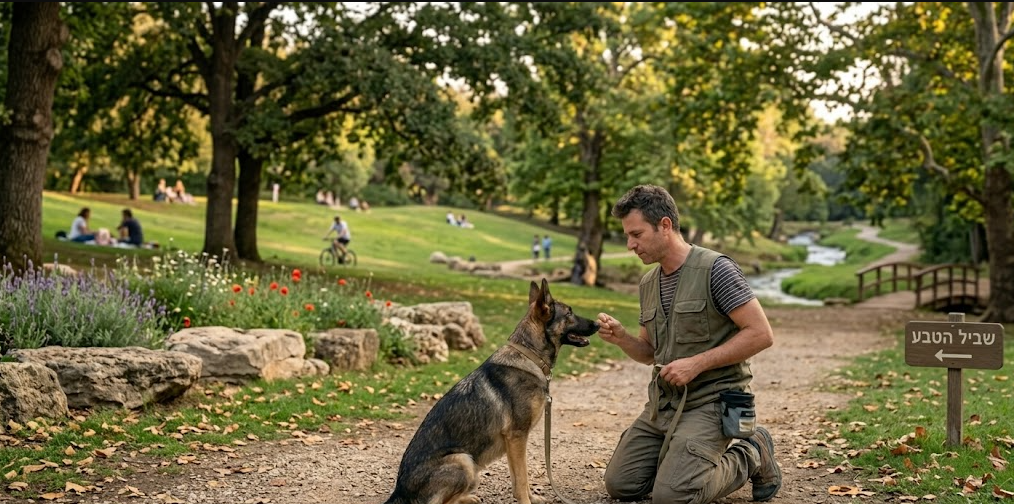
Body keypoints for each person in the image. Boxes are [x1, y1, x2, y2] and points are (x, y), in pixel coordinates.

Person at [596, 184, 781, 503]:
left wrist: (697, 363)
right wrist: (622, 338)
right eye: (628, 236)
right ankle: (680, 461)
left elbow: (761, 333)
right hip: (664, 406)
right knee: (621, 485)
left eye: (637, 234)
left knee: (672, 498)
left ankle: (752, 451)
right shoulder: (648, 283)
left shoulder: (716, 269)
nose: (630, 245)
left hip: (712, 402)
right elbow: (650, 352)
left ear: (665, 225)